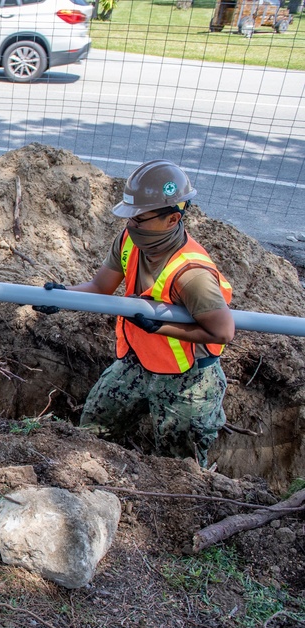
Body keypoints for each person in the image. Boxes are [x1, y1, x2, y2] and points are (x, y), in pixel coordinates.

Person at [35, 160, 234, 467]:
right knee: (91, 431)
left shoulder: (192, 273)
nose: (131, 224)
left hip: (188, 380)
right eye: (130, 216)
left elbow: (222, 331)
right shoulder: (131, 240)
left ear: (172, 218)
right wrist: (63, 296)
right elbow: (101, 286)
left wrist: (161, 327)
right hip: (138, 362)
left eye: (140, 218)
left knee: (178, 466)